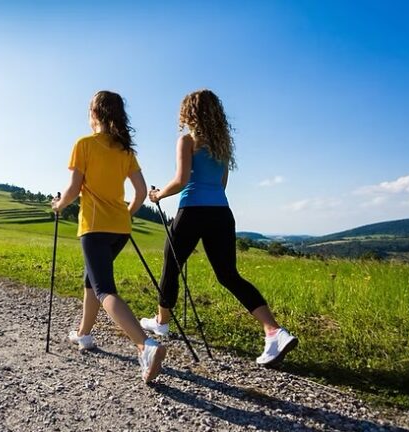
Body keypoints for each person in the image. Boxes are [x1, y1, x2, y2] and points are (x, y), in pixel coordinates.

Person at [141, 89, 298, 367]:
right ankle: (274, 331)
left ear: (189, 113)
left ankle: (162, 323)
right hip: (221, 213)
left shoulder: (187, 141)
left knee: (170, 265)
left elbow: (180, 180)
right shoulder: (222, 145)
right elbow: (222, 184)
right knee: (229, 275)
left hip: (191, 211)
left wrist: (157, 196)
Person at [52, 90, 166, 383]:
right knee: (91, 280)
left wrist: (58, 205)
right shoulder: (126, 150)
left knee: (104, 289)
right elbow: (140, 193)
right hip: (120, 228)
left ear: (95, 114)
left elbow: (74, 189)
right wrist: (126, 213)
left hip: (94, 227)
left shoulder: (84, 144)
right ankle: (84, 334)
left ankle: (146, 345)